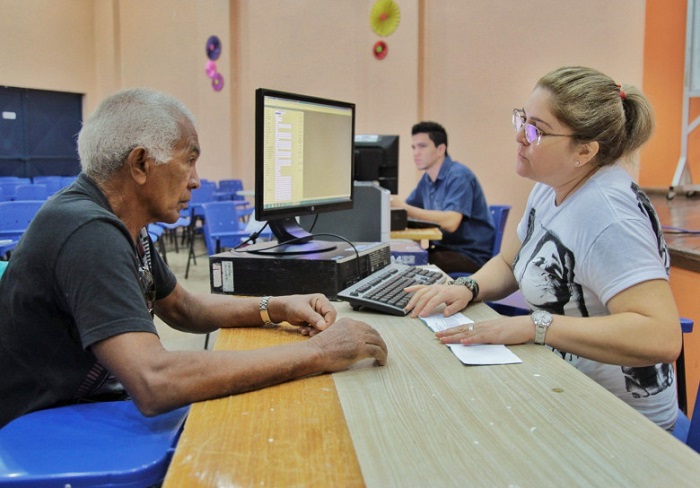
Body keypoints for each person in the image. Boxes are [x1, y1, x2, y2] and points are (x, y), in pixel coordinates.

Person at [0, 88, 388, 429]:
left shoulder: (123, 225)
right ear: (140, 164)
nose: (196, 179)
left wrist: (276, 306)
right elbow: (155, 381)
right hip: (42, 424)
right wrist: (319, 352)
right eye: (189, 160)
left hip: (85, 403)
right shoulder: (87, 232)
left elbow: (184, 307)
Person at [405, 67, 681, 430]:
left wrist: (536, 326)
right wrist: (467, 286)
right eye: (522, 119)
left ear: (584, 150)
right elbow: (509, 261)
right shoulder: (551, 188)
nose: (519, 136)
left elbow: (661, 336)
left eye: (536, 130)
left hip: (621, 422)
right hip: (564, 386)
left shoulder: (609, 216)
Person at [391, 121, 495, 274]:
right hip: (445, 250)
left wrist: (405, 208)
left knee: (410, 264)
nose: (415, 153)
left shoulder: (459, 176)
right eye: (413, 147)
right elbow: (405, 213)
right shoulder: (426, 180)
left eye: (422, 146)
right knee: (401, 258)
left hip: (470, 255)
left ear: (440, 149)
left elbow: (451, 222)